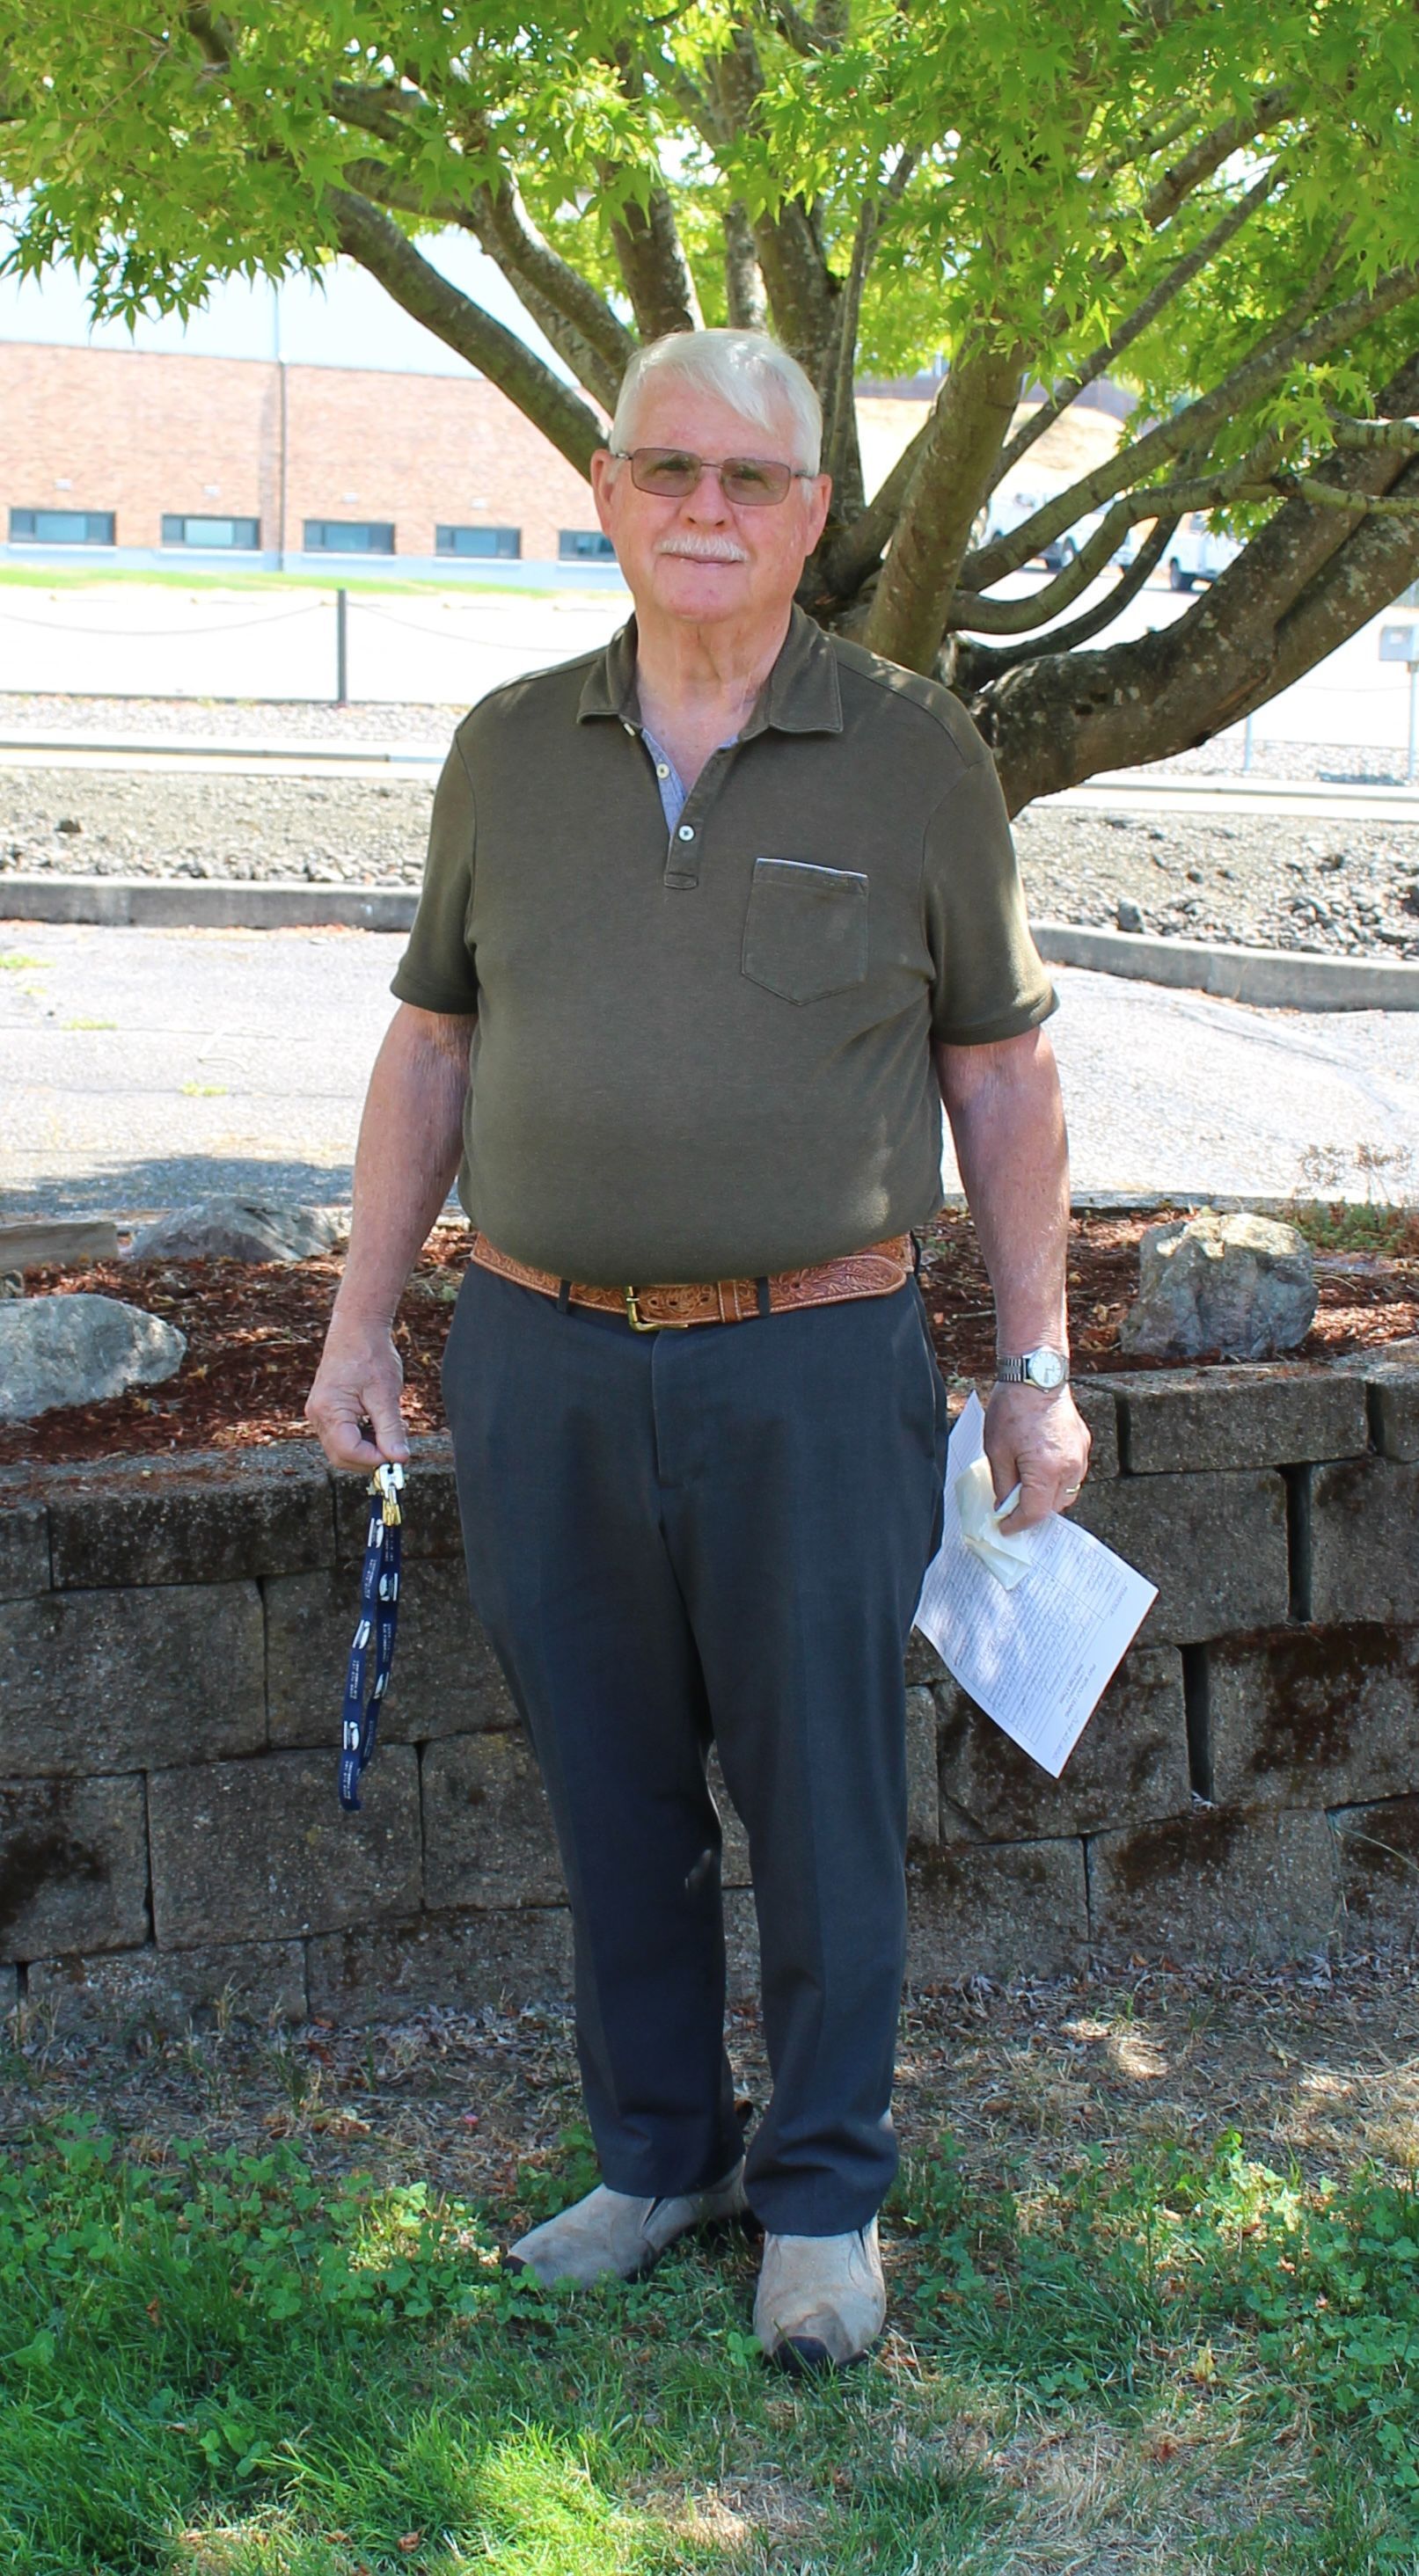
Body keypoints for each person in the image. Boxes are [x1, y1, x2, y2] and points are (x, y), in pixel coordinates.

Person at [305, 326, 1090, 2372]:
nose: (707, 510)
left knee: (824, 1793)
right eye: (670, 470)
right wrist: (358, 1317)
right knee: (613, 1788)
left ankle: (821, 2200)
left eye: (752, 479)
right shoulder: (504, 745)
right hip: (542, 1359)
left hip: (811, 1366)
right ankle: (660, 2153)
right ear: (605, 486)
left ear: (818, 513)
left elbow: (1001, 1084)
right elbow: (433, 1045)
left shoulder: (920, 753)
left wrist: (1037, 1358)